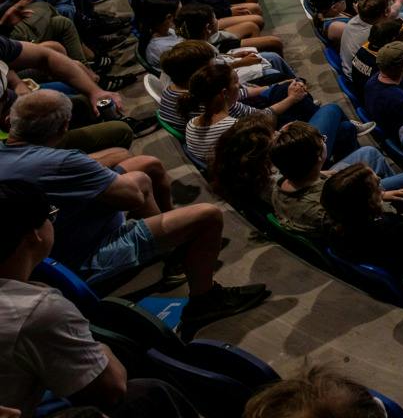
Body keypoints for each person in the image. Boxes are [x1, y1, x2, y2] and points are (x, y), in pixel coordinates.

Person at [0, 90, 268, 331]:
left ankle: (173, 251)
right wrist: (94, 171)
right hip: (84, 256)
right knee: (207, 215)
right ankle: (204, 299)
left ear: (10, 123)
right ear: (64, 127)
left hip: (58, 232)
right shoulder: (62, 162)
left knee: (145, 168)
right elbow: (130, 199)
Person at [0, 180, 201, 418]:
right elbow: (111, 389)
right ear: (34, 236)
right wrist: (101, 347)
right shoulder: (37, 310)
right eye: (50, 216)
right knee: (147, 394)